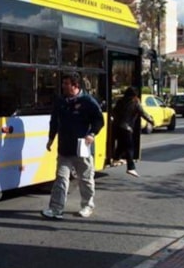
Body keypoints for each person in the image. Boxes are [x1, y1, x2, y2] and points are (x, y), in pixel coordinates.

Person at [41, 72, 105, 219]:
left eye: (66, 84)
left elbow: (99, 120)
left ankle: (87, 206)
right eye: (63, 83)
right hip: (65, 148)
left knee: (85, 179)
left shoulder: (87, 101)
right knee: (61, 178)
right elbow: (54, 121)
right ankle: (56, 209)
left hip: (82, 148)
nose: (63, 86)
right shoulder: (60, 101)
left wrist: (92, 134)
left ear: (75, 85)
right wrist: (51, 138)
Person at [111, 86, 154, 177]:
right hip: (127, 128)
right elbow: (142, 113)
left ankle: (116, 159)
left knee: (121, 144)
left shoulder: (120, 101)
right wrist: (151, 120)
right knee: (129, 148)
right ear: (135, 95)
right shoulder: (135, 103)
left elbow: (114, 112)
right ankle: (131, 168)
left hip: (117, 126)